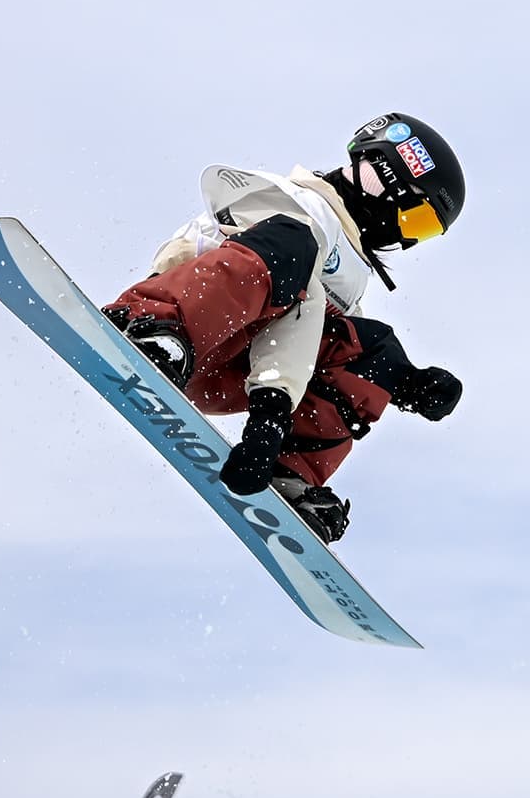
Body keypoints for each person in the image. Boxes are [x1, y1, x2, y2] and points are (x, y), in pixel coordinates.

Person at [100, 113, 468, 542]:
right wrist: (270, 413)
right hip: (187, 328)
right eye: (416, 220)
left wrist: (404, 380)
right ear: (386, 183)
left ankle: (290, 474)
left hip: (233, 374)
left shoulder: (350, 272)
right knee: (295, 250)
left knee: (374, 347)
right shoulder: (293, 201)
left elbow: (325, 341)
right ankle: (154, 327)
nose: (405, 239)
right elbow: (289, 296)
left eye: (423, 232)